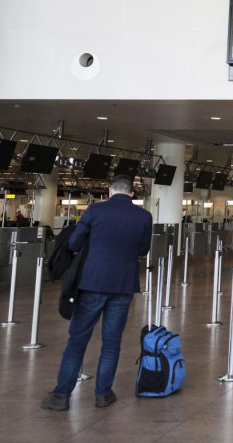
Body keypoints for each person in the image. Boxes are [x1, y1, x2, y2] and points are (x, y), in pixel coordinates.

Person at [41, 175, 152, 411]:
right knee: (111, 342)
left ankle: (61, 396)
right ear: (132, 194)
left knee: (77, 341)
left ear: (110, 191)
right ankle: (103, 394)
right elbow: (143, 250)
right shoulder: (144, 216)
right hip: (123, 285)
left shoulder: (95, 211)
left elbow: (73, 243)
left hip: (92, 282)